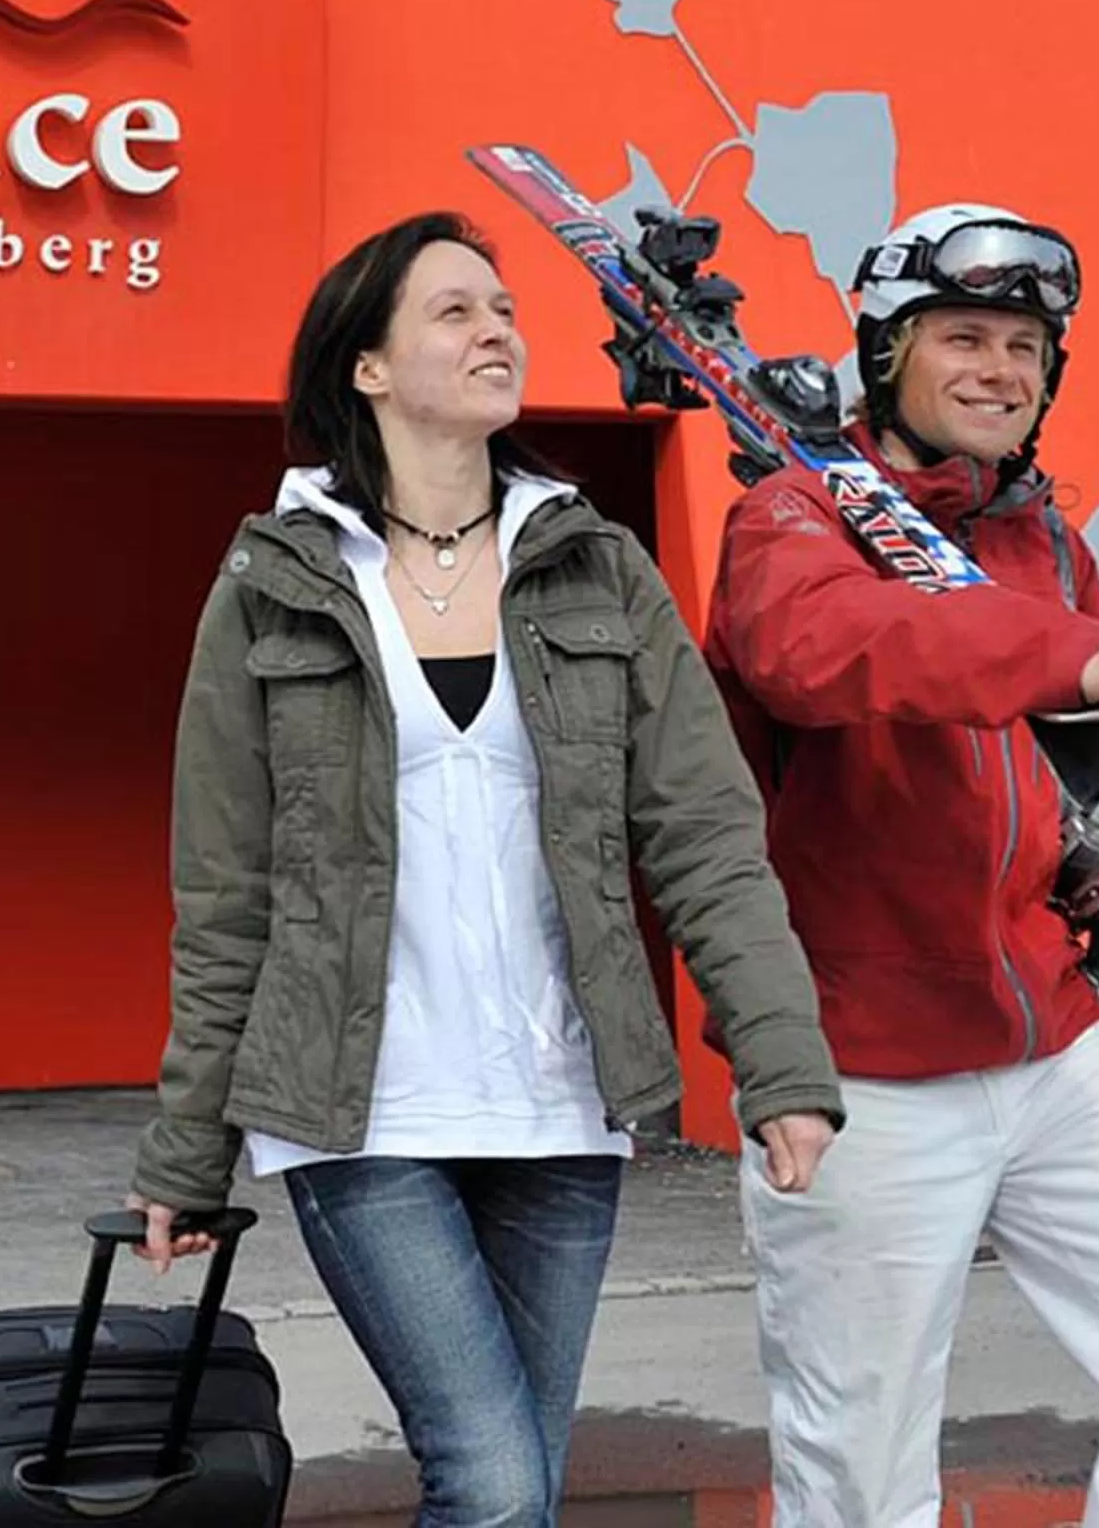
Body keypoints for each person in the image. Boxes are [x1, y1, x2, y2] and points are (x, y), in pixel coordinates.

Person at [127, 212, 845, 1528]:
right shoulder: (275, 582)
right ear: (369, 366)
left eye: (505, 308)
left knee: (525, 1485)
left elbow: (705, 837)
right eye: (455, 310)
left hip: (561, 1107)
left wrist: (778, 1059)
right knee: (497, 1483)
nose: (497, 329)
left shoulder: (594, 567)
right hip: (359, 1111)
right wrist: (189, 1147)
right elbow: (224, 886)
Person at [704, 203, 1099, 1528]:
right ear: (888, 351)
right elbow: (832, 650)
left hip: (1054, 1043)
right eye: (963, 335)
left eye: (1026, 345)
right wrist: (1065, 653)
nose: (1001, 368)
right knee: (860, 1467)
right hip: (864, 1065)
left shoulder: (1044, 540)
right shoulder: (795, 520)